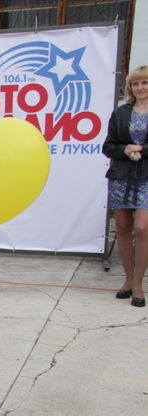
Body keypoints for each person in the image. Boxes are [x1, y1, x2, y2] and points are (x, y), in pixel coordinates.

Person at [102, 65, 148, 308]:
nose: (140, 88)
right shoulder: (120, 113)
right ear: (130, 87)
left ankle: (139, 283)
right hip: (121, 177)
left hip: (146, 178)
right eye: (136, 84)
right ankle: (128, 280)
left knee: (142, 228)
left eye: (145, 83)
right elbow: (108, 146)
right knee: (122, 227)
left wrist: (141, 149)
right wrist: (125, 149)